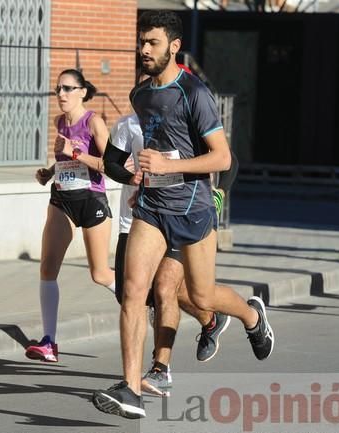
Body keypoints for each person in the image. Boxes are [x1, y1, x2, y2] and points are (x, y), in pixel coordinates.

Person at [92, 10, 274, 419]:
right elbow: (140, 152)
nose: (143, 49)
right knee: (135, 292)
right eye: (141, 41)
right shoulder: (140, 94)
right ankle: (131, 387)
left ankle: (250, 314)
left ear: (173, 46)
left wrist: (167, 167)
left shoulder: (195, 93)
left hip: (192, 210)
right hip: (152, 208)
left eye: (151, 42)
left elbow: (223, 157)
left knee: (202, 294)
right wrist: (138, 172)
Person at [105, 108, 239, 398]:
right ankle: (210, 319)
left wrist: (219, 194)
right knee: (131, 295)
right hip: (139, 220)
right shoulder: (128, 123)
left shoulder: (188, 120)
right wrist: (134, 179)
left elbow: (229, 160)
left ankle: (159, 369)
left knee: (166, 288)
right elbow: (110, 164)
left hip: (182, 215)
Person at [24, 69, 115, 363]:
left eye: (67, 88)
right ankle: (49, 342)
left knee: (100, 274)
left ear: (82, 92)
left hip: (91, 200)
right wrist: (49, 172)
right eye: (57, 89)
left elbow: (111, 166)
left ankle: (141, 297)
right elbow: (63, 156)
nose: (61, 94)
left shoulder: (94, 122)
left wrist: (75, 154)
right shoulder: (59, 122)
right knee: (47, 269)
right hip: (61, 198)